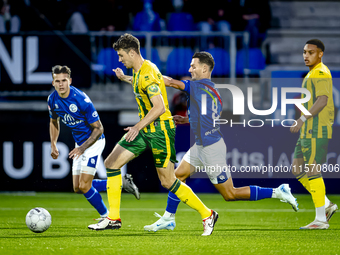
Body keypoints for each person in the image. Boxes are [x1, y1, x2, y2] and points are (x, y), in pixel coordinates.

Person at [143, 52, 298, 232]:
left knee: (230, 193)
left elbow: (169, 82)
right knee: (177, 177)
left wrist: (146, 73)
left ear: (204, 68)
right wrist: (187, 120)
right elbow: (208, 118)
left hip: (211, 149)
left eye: (193, 66)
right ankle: (168, 218)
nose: (189, 69)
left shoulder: (197, 86)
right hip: (201, 145)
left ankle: (278, 192)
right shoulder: (212, 90)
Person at [88, 34, 218, 236]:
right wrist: (124, 78)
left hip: (160, 130)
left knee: (168, 181)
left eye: (121, 55)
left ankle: (207, 213)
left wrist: (137, 127)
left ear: (132, 52)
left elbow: (158, 107)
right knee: (111, 163)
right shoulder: (143, 70)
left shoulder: (147, 72)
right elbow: (142, 83)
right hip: (147, 128)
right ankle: (113, 218)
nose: (120, 59)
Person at [48, 65, 140, 222]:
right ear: (53, 83)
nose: (61, 84)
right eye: (57, 81)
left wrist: (82, 148)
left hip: (94, 142)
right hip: (80, 144)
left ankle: (106, 216)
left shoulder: (81, 100)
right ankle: (121, 182)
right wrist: (53, 144)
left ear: (70, 81)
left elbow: (99, 129)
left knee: (85, 186)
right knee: (77, 188)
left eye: (64, 80)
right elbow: (54, 121)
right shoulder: (52, 100)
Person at [290, 39, 338, 229]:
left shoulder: (320, 72)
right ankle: (326, 204)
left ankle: (320, 220)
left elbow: (323, 100)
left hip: (316, 129)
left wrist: (302, 119)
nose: (306, 55)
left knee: (312, 170)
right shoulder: (311, 73)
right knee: (297, 169)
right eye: (304, 52)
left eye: (310, 52)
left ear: (320, 54)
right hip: (307, 129)